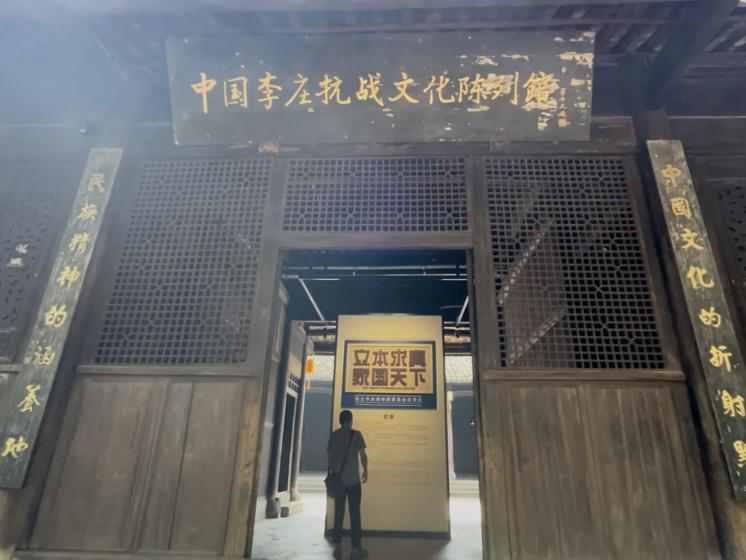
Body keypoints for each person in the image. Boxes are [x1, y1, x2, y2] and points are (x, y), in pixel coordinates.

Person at [327, 409, 368, 559]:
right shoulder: (356, 435)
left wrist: (337, 472)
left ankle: (337, 547)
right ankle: (356, 549)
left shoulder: (334, 435)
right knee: (355, 514)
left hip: (339, 482)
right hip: (354, 482)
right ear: (350, 420)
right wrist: (365, 470)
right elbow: (363, 455)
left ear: (340, 421)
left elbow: (330, 457)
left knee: (339, 513)